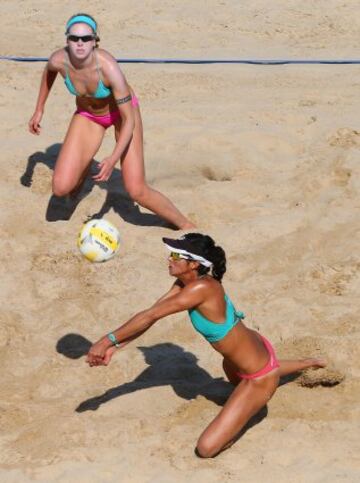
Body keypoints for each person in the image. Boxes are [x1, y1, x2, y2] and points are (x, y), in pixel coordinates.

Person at [86, 233, 326, 457]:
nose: (169, 258)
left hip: (258, 376)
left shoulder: (202, 288)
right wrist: (114, 347)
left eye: (176, 255)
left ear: (193, 264)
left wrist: (105, 340)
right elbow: (150, 314)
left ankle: (249, 410)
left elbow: (149, 317)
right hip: (243, 357)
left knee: (206, 449)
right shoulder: (185, 284)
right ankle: (309, 362)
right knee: (249, 368)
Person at [28, 13, 195, 229]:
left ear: (95, 40)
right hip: (88, 116)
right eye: (74, 38)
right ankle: (82, 166)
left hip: (122, 118)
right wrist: (39, 109)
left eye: (86, 38)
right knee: (61, 188)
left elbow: (129, 121)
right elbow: (48, 73)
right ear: (66, 40)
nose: (80, 43)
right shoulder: (59, 60)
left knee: (136, 190)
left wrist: (113, 158)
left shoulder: (108, 67)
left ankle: (186, 225)